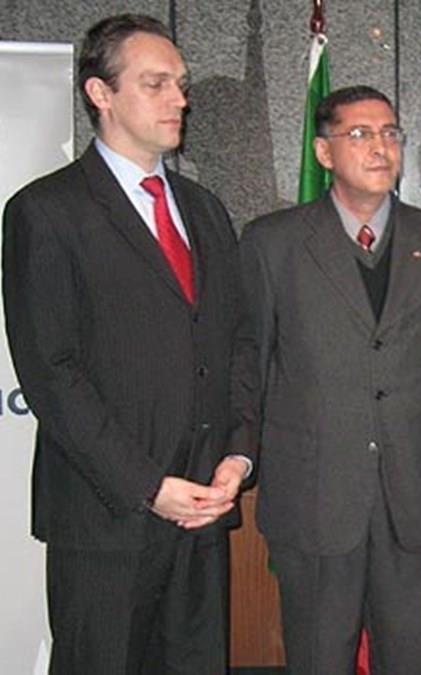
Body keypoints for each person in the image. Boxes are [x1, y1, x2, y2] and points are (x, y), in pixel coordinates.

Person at [2, 13, 254, 673]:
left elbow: (237, 344)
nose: (180, 99)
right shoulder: (45, 211)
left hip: (203, 510)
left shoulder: (205, 210)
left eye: (181, 83)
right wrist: (147, 486)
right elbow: (51, 373)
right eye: (156, 83)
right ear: (101, 93)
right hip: (105, 519)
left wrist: (237, 455)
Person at [239, 85, 421, 674]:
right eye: (361, 134)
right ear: (323, 153)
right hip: (315, 497)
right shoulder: (273, 243)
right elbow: (254, 363)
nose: (380, 147)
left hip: (414, 494)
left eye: (390, 134)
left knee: (414, 661)